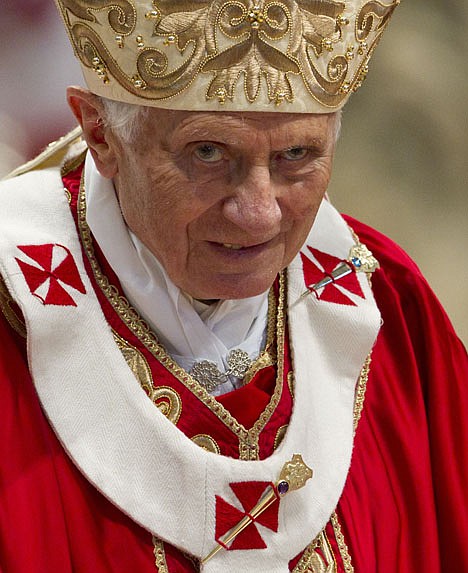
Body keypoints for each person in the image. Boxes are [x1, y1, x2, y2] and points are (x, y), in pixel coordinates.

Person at [0, 1, 466, 571]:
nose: (259, 214)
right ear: (100, 132)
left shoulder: (394, 309)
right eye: (208, 153)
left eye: (296, 155)